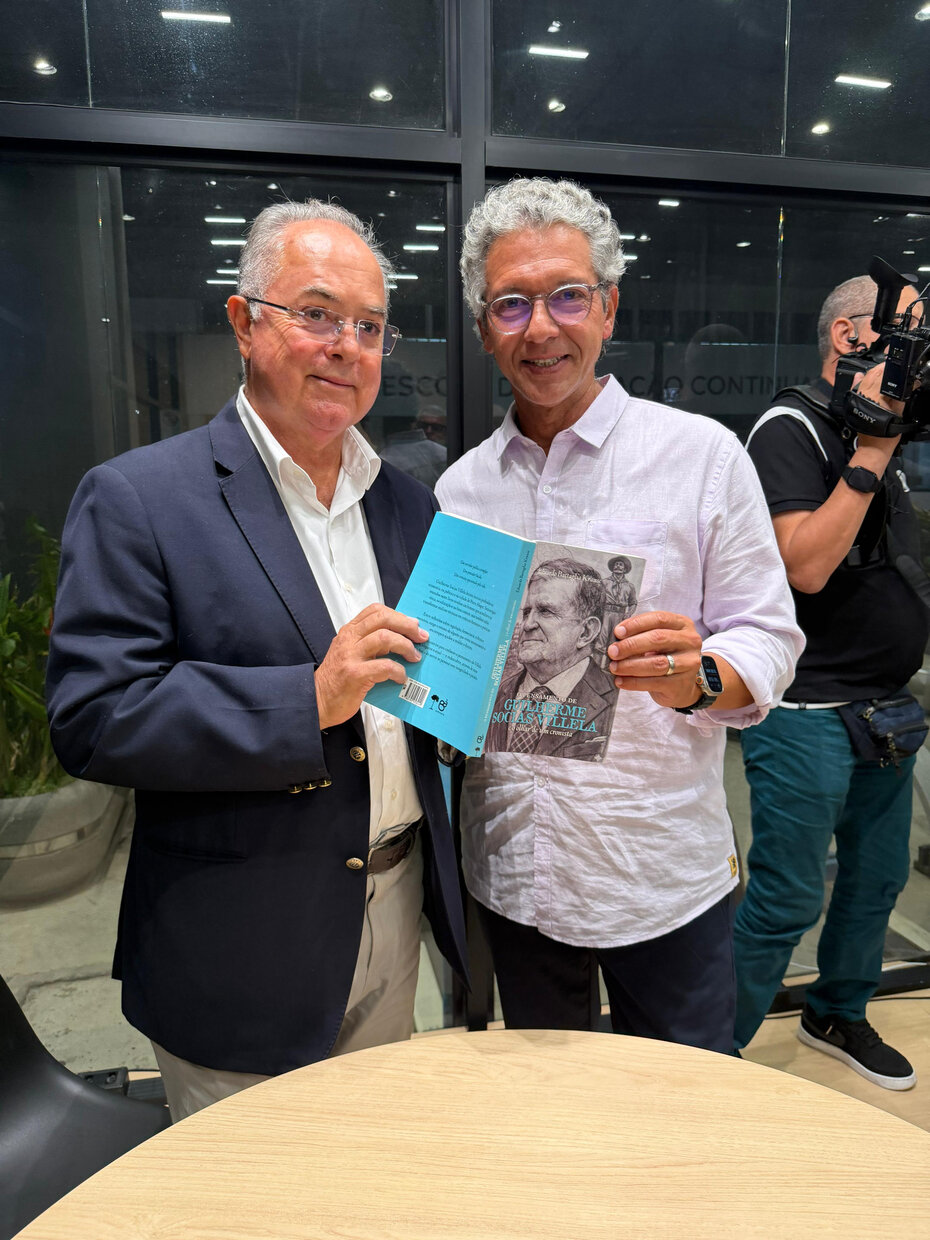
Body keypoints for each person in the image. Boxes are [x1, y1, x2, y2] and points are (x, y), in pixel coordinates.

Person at [46, 199, 467, 1121]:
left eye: (369, 327)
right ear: (244, 323)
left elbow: (422, 696)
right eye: (315, 314)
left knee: (366, 1173)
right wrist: (309, 699)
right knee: (245, 1200)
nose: (345, 346)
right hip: (237, 941)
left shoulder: (408, 506)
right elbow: (92, 716)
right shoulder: (139, 498)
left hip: (394, 905)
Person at [435, 178, 803, 1051]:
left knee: (679, 1125)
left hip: (659, 877)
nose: (542, 325)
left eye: (567, 295)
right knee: (547, 1125)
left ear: (607, 307)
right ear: (486, 327)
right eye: (511, 303)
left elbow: (771, 633)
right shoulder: (461, 490)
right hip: (516, 875)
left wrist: (701, 675)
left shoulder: (701, 457)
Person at [735, 274, 929, 1089]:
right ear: (852, 338)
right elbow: (806, 566)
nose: (920, 359)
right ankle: (709, 1051)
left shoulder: (877, 428)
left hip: (885, 709)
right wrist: (876, 448)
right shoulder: (790, 428)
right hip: (805, 711)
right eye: (911, 335)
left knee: (878, 879)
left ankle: (838, 1012)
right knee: (784, 898)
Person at [485, 557, 618, 760]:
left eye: (546, 611)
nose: (527, 625)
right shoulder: (495, 693)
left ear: (586, 632)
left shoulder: (612, 697)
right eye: (527, 612)